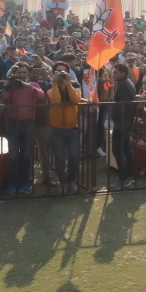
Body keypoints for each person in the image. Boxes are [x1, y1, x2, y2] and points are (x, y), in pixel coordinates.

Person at [1, 64, 45, 195]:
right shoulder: (11, 85)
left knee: (26, 155)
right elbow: (4, 98)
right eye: (19, 72)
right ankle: (12, 184)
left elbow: (42, 96)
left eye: (24, 72)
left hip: (28, 123)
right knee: (13, 155)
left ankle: (25, 183)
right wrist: (9, 86)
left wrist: (29, 86)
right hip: (13, 123)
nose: (21, 75)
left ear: (27, 73)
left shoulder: (33, 84)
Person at [46, 61, 83, 194]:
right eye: (58, 71)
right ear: (53, 73)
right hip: (56, 128)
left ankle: (71, 181)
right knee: (59, 158)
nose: (61, 74)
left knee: (74, 157)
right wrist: (55, 82)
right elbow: (55, 100)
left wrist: (68, 84)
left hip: (73, 127)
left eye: (64, 71)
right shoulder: (50, 85)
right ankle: (63, 181)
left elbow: (75, 100)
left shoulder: (75, 84)